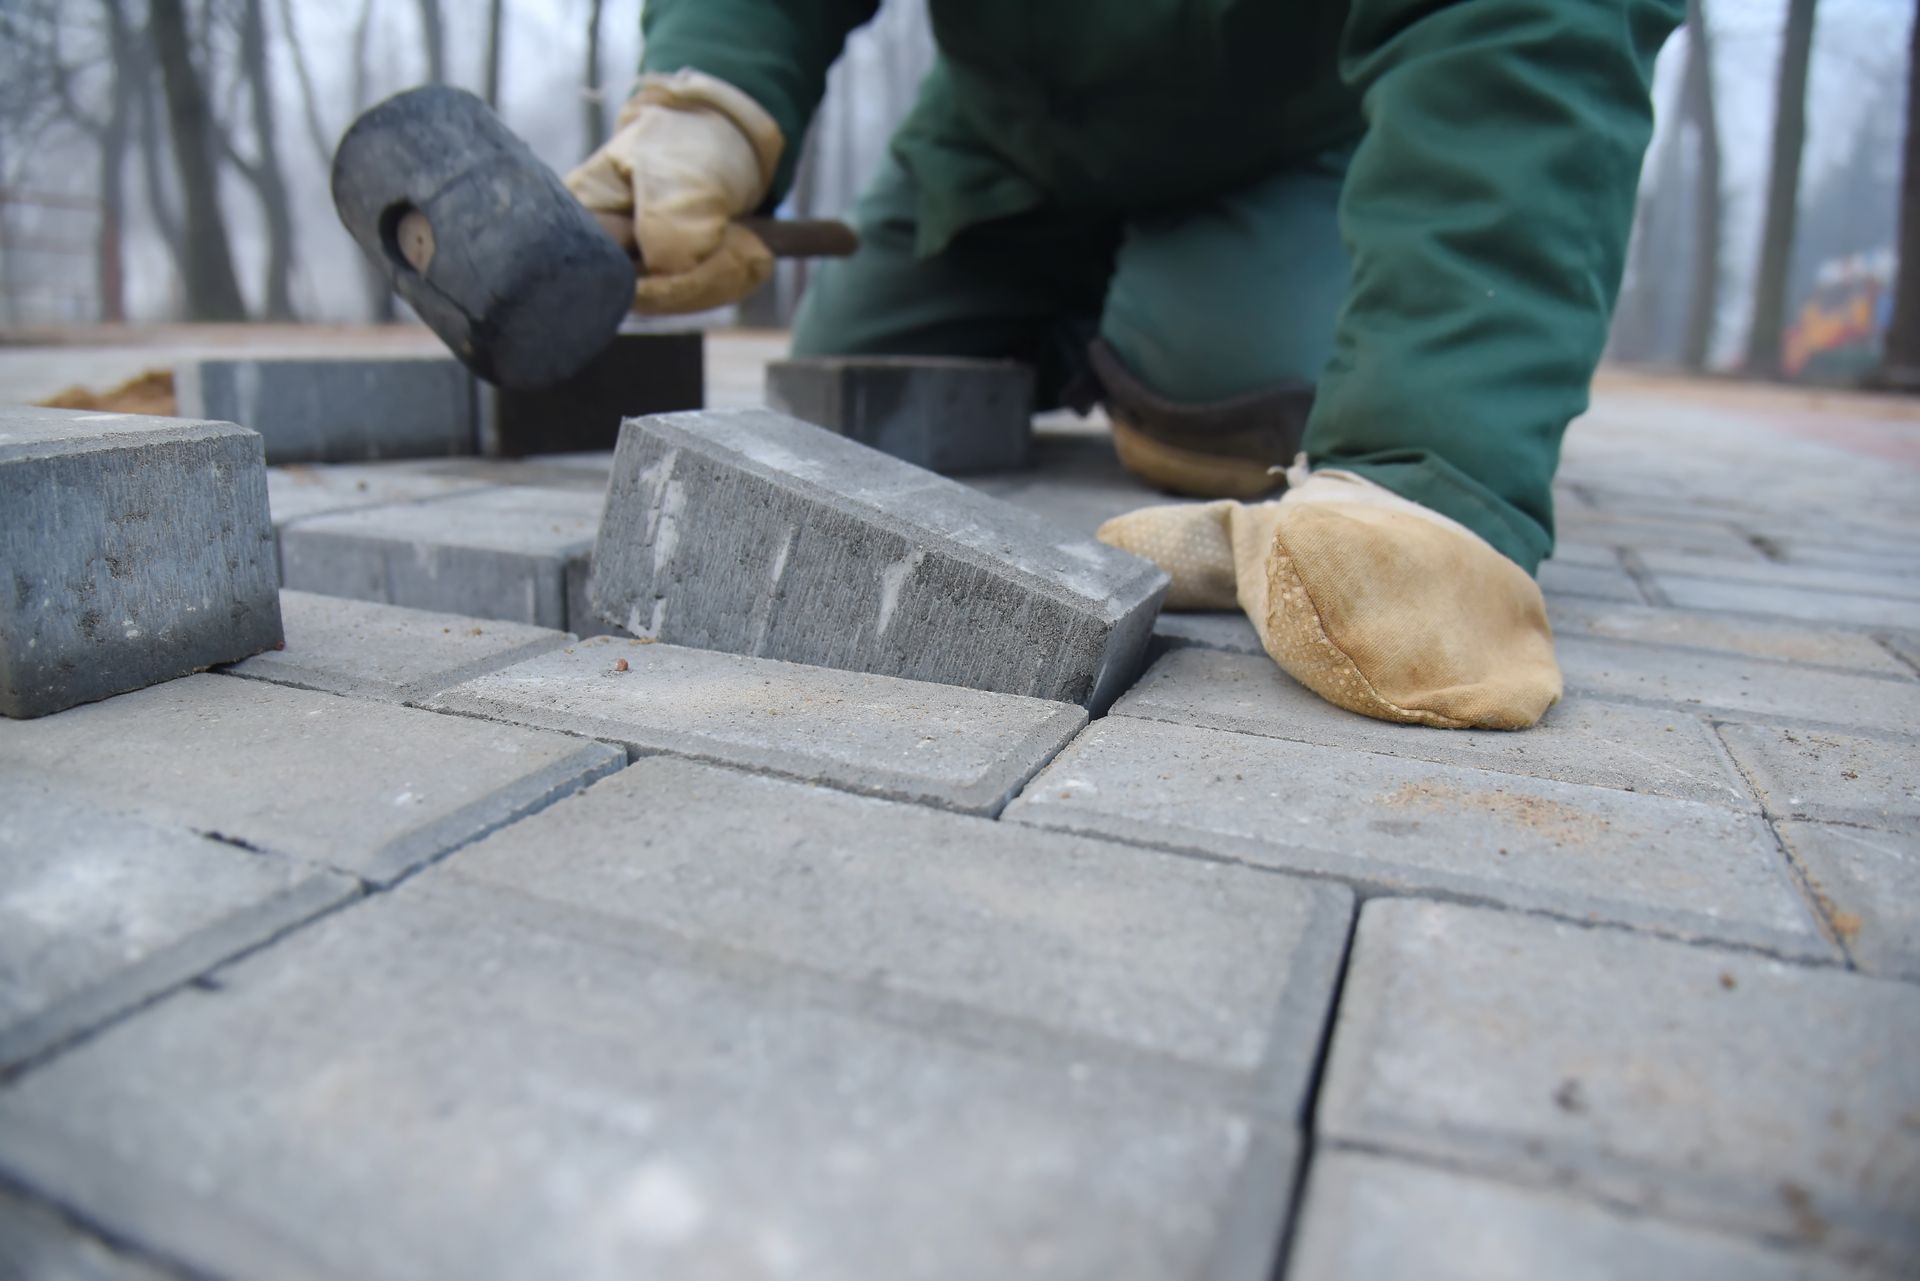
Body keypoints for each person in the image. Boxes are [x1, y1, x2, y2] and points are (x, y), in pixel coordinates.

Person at [566, 0, 1685, 731]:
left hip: (1278, 141)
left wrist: (1437, 462)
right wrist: (710, 89)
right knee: (855, 380)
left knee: (1220, 403)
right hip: (1003, 135)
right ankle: (1076, 319)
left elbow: (1529, 32)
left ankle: (1160, 322)